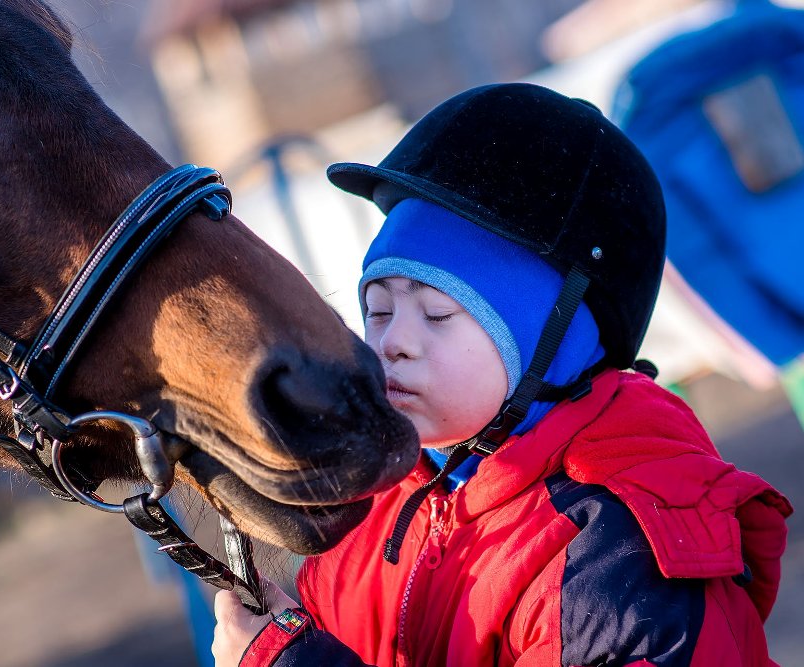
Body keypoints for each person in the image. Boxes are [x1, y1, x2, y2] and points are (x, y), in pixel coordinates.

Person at [212, 82, 792, 667]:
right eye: (378, 310)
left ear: (556, 341)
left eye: (439, 314)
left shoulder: (614, 559)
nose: (393, 342)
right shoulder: (379, 500)